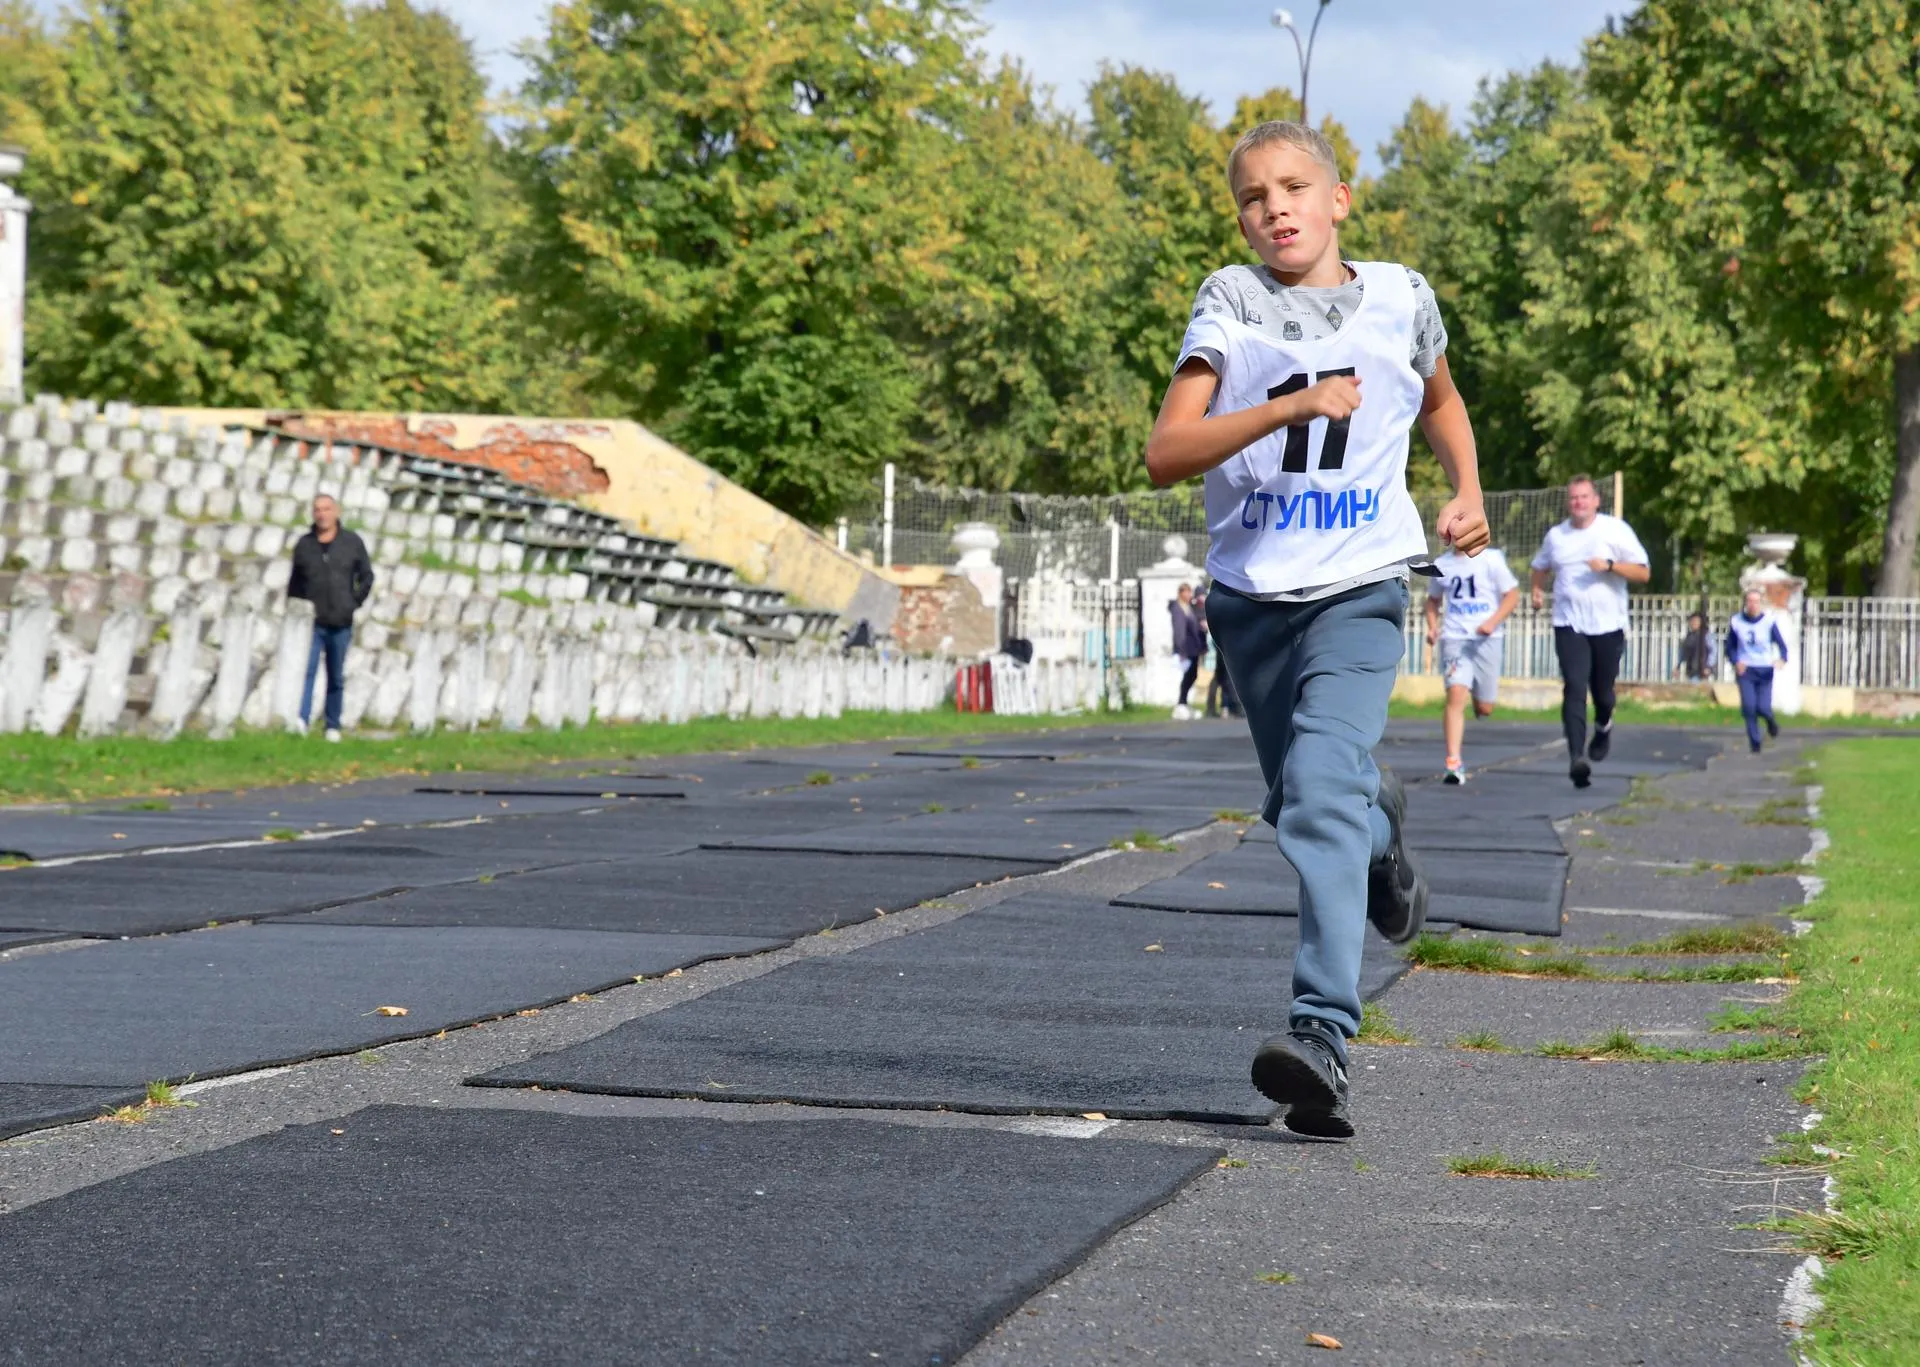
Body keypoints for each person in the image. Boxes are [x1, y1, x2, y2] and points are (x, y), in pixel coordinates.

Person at [1146, 120, 1490, 1139]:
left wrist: (1466, 489)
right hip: (1253, 600)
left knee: (1319, 788)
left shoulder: (1401, 297)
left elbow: (1443, 399)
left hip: (1362, 584)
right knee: (1308, 796)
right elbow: (1169, 450)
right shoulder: (1233, 302)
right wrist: (1284, 410)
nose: (1275, 208)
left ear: (1341, 198)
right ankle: (1382, 842)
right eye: (1253, 197)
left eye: (1295, 187)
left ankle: (1323, 1035)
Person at [1529, 476, 1650, 788]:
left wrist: (1609, 565)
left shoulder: (1614, 530)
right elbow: (1540, 566)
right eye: (1573, 498)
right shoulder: (1557, 536)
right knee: (1573, 686)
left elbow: (1643, 572)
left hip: (1608, 625)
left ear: (1596, 501)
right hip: (1569, 623)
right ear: (1568, 503)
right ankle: (1576, 758)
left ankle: (1604, 723)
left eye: (1584, 497)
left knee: (1604, 693)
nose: (1579, 503)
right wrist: (1537, 591)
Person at [1424, 545, 1520, 783]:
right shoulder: (1443, 564)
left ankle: (1480, 701)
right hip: (1455, 638)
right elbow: (1432, 600)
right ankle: (1453, 762)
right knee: (1455, 694)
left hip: (1487, 638)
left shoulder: (1492, 560)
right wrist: (1433, 627)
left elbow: (1512, 595)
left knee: (1485, 708)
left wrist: (1492, 621)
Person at [287, 492, 374, 742]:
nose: (322, 514)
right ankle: (301, 719)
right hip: (312, 622)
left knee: (336, 675)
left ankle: (332, 724)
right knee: (307, 670)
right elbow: (295, 582)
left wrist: (353, 603)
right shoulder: (305, 545)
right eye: (317, 510)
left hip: (341, 621)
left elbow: (366, 576)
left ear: (336, 512)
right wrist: (295, 610)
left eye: (326, 509)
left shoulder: (352, 542)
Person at [1726, 588, 1788, 752]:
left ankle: (1771, 723)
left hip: (1764, 669)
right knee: (1749, 706)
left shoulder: (1768, 621)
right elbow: (1730, 647)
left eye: (1756, 601)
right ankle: (1755, 742)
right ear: (1745, 603)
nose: (1753, 605)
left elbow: (1781, 644)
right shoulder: (1737, 621)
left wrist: (1782, 659)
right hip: (1746, 670)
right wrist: (1736, 661)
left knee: (1763, 707)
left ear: (1761, 603)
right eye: (1750, 601)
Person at [1169, 583, 1206, 719]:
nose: (1190, 595)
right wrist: (1181, 650)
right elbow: (1179, 631)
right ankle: (1181, 703)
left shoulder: (1189, 608)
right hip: (1186, 648)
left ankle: (1183, 702)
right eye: (1187, 592)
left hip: (1193, 648)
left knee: (1192, 675)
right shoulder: (1178, 609)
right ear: (1181, 593)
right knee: (1188, 676)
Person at [1674, 611, 1716, 680]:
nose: (1693, 623)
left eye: (1696, 621)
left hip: (1704, 672)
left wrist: (1709, 666)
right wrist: (1678, 667)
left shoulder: (1707, 636)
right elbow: (1683, 653)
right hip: (1691, 670)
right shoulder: (1689, 636)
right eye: (1692, 621)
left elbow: (1713, 651)